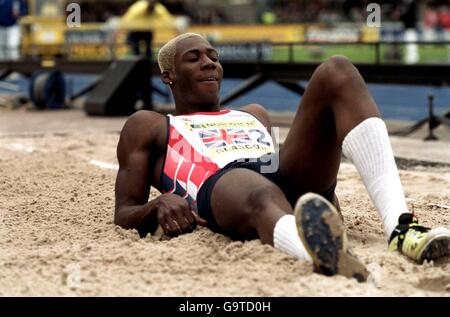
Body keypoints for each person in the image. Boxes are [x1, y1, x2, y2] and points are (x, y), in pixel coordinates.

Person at [114, 33, 450, 282]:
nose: (209, 62)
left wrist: (326, 196)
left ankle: (400, 228)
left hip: (277, 174)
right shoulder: (150, 124)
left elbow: (279, 166)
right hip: (221, 185)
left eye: (213, 56)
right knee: (258, 189)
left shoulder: (255, 114)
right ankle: (318, 252)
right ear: (168, 76)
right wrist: (157, 206)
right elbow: (124, 212)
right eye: (194, 58)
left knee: (337, 69)